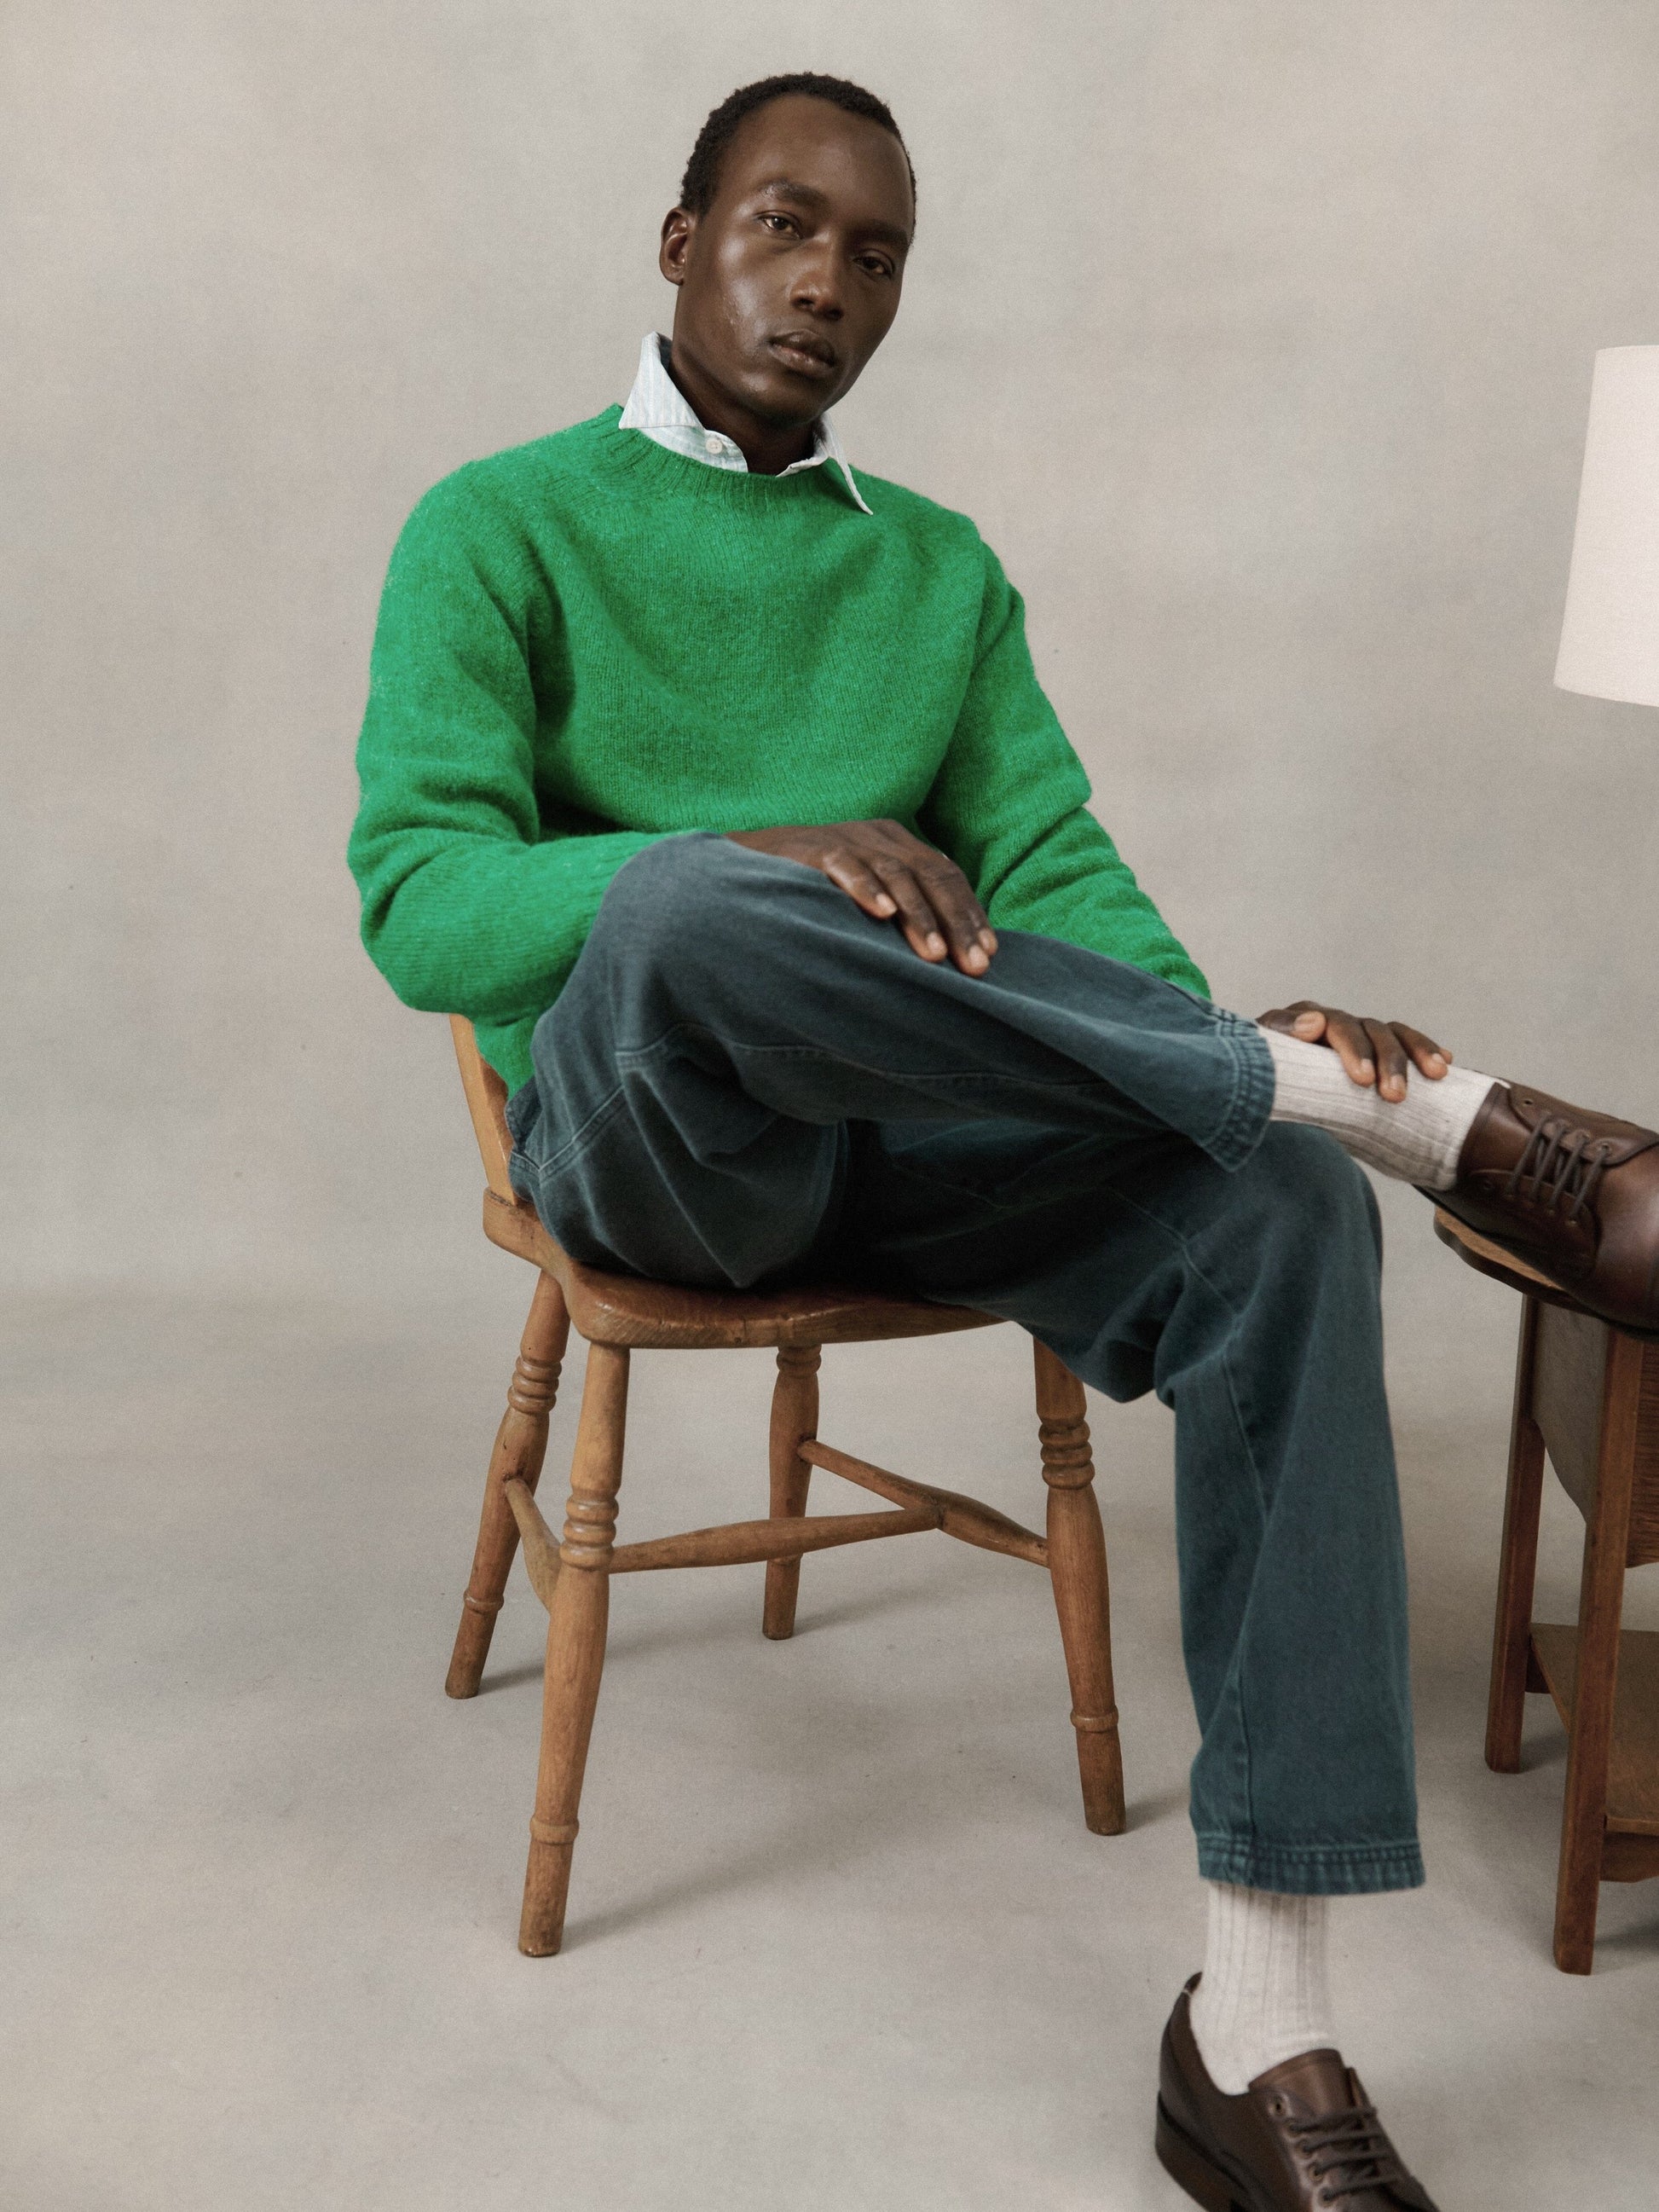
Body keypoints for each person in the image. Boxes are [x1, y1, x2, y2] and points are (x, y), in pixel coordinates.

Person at [348, 72, 1659, 2211]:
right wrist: (753, 854)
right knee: (685, 903)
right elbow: (422, 904)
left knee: (1279, 1202)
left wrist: (1208, 1035)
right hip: (660, 1144)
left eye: (874, 257)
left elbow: (1052, 869)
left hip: (917, 1131)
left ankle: (1257, 2022)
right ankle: (1411, 1114)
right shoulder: (494, 524)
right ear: (678, 243)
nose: (825, 285)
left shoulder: (937, 572)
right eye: (782, 226)